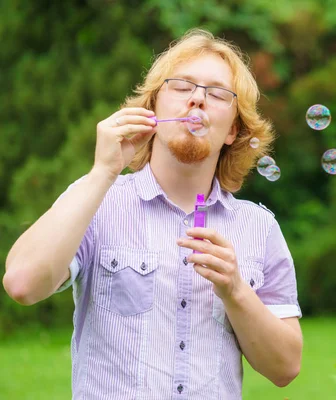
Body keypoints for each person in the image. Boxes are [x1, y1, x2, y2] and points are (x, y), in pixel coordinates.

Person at [3, 28, 302, 399]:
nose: (197, 100)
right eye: (182, 87)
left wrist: (236, 290)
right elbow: (22, 284)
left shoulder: (259, 228)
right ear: (153, 109)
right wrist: (102, 172)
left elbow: (285, 367)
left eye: (217, 93)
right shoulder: (97, 201)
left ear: (233, 130)